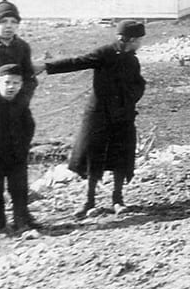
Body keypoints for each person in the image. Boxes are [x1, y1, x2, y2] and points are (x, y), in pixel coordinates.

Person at [43, 20, 148, 218]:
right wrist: (47, 67)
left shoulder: (133, 60)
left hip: (122, 115)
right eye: (139, 40)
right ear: (131, 39)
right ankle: (89, 201)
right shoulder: (105, 53)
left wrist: (130, 100)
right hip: (99, 115)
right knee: (93, 156)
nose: (141, 43)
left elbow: (139, 83)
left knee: (120, 157)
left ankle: (118, 200)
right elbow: (77, 62)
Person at [0, 64, 39, 234]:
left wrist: (24, 146)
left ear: (21, 85)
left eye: (16, 83)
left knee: (19, 189)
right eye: (7, 82)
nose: (11, 87)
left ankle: (21, 222)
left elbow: (30, 127)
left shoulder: (22, 106)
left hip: (17, 157)